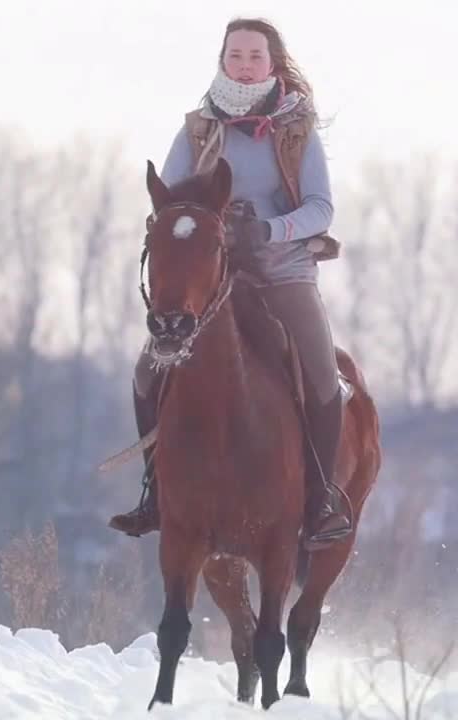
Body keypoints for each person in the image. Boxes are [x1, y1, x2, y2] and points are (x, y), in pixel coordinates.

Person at [108, 16, 351, 550]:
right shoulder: (197, 129)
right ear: (223, 61)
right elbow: (169, 199)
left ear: (273, 63)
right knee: (148, 370)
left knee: (322, 371)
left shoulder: (296, 129)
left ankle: (322, 497)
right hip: (214, 274)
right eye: (235, 55)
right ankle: (156, 492)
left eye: (254, 57)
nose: (244, 66)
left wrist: (269, 229)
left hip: (281, 268)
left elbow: (321, 208)